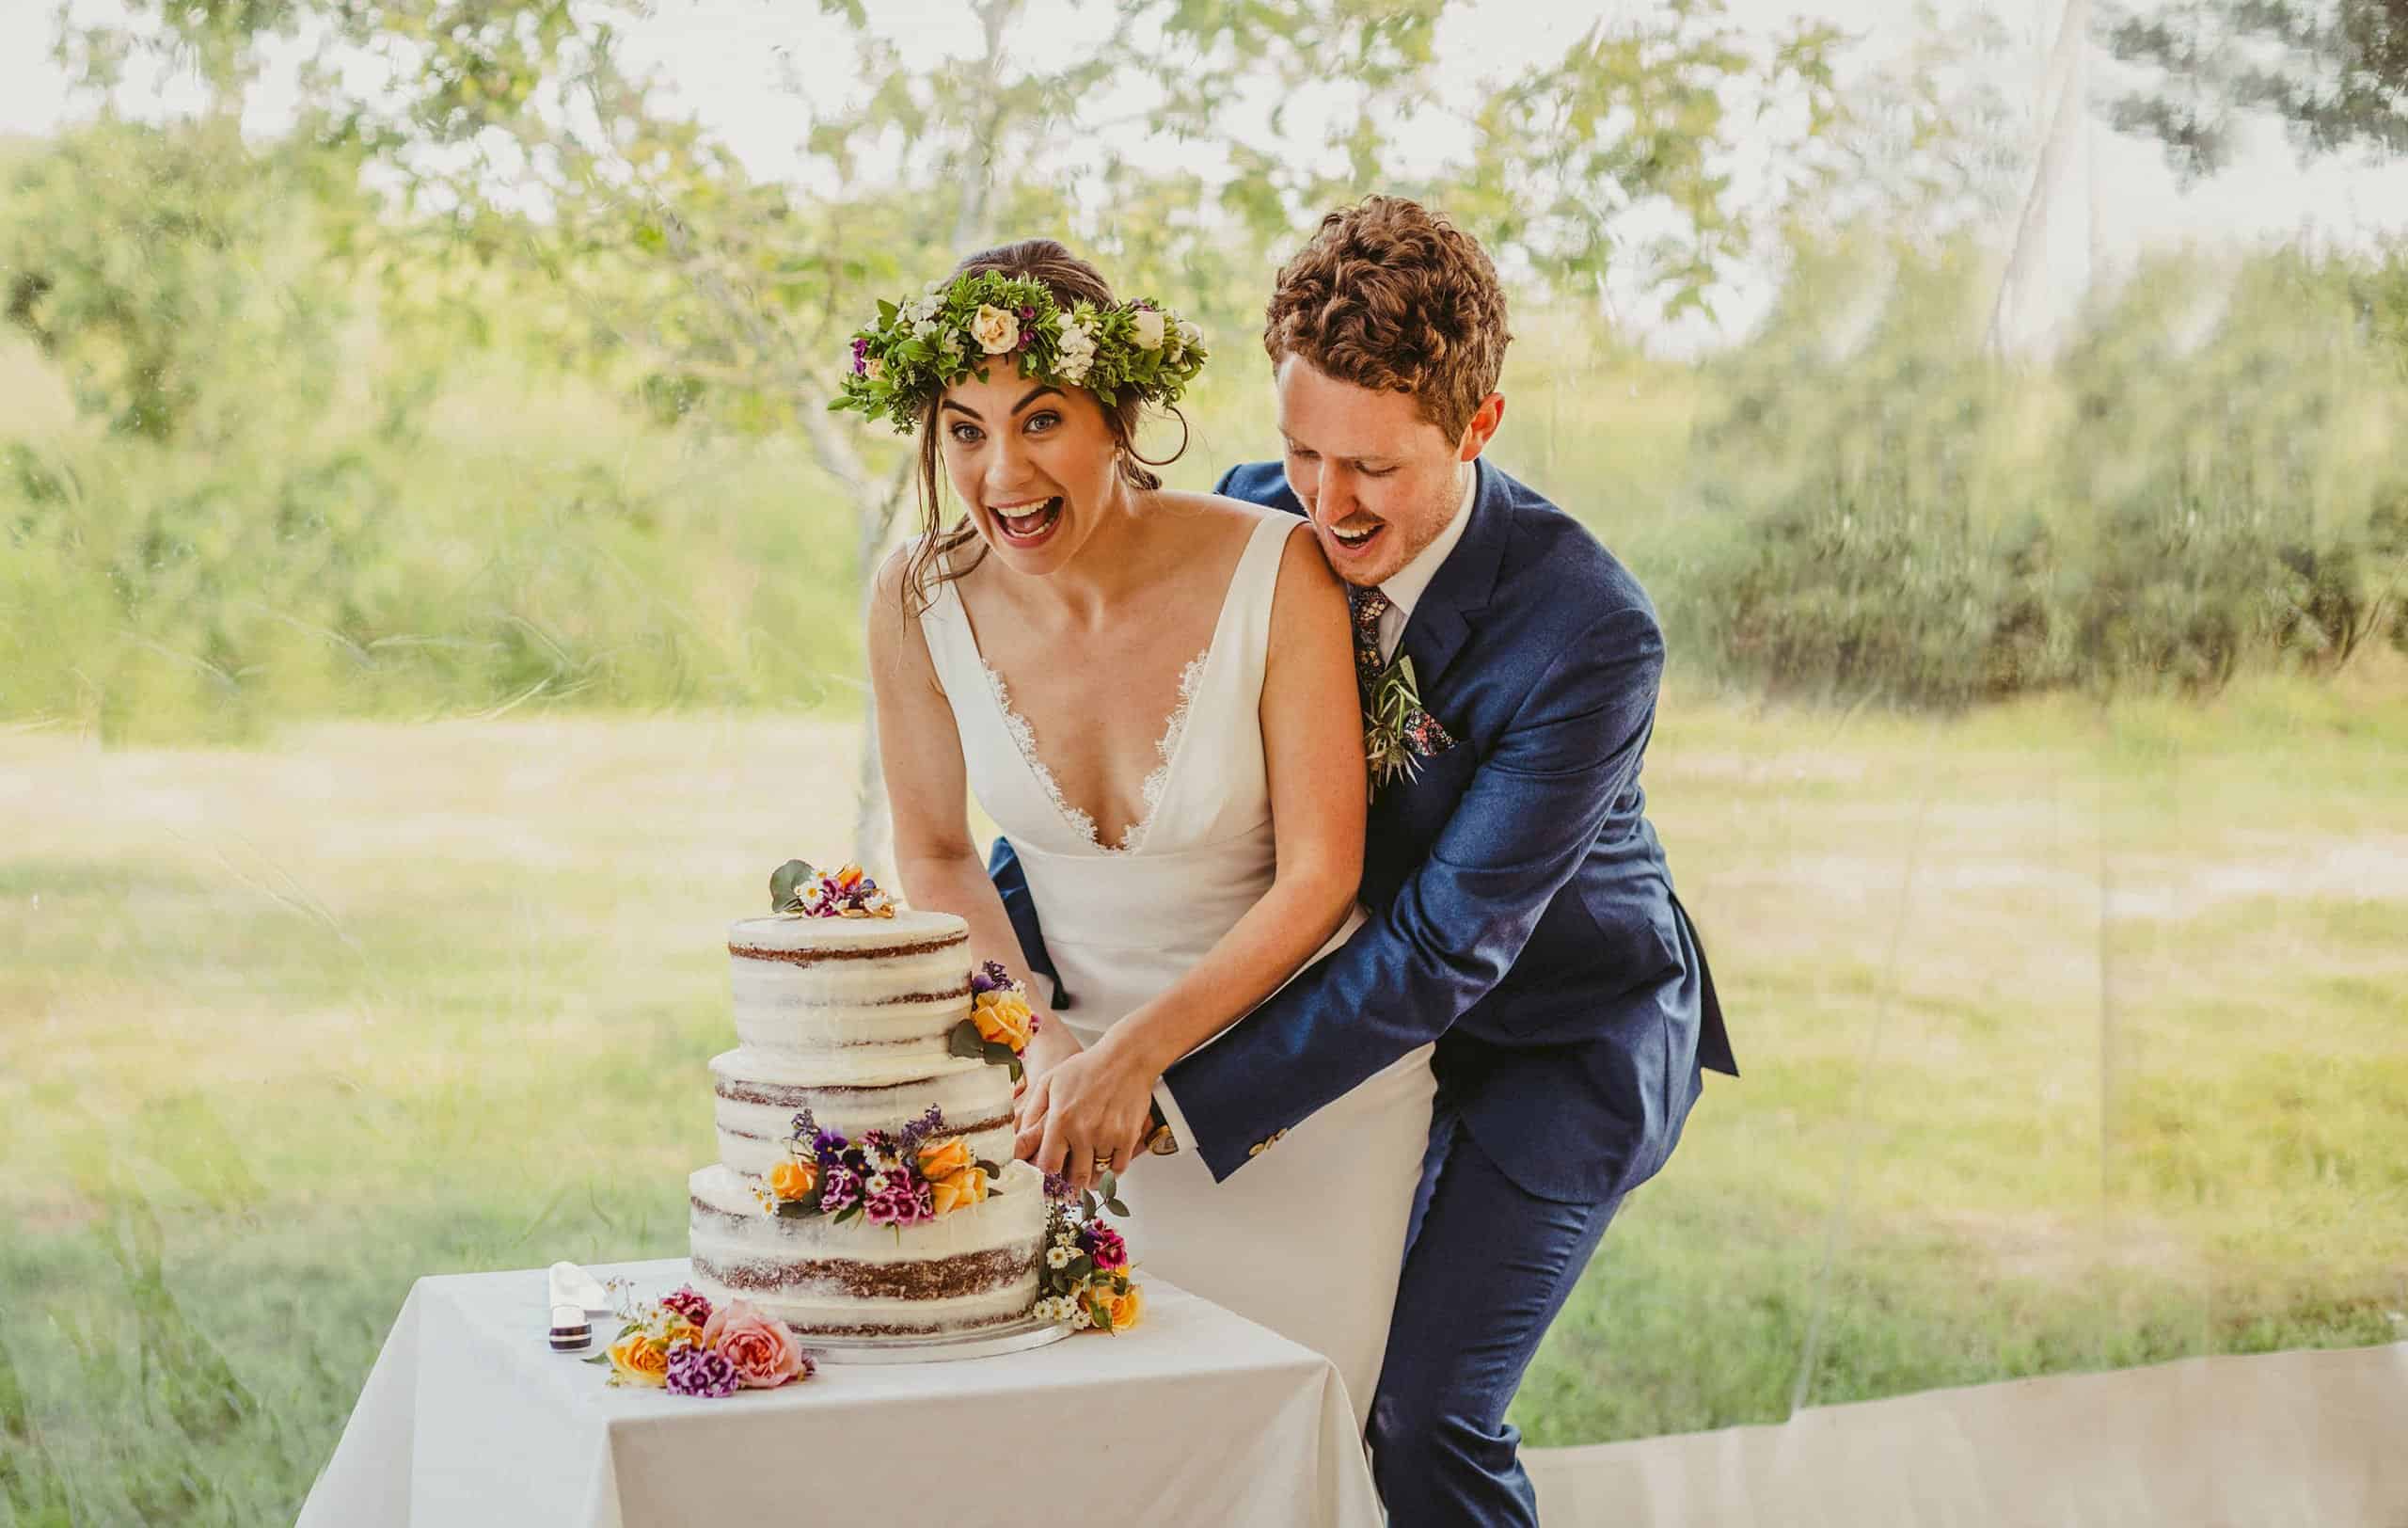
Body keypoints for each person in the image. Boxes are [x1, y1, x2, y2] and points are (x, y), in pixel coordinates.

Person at [1002, 196, 1737, 1526]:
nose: (1324, 507)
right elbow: (1119, 759)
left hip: (1558, 1040)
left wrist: (1165, 1092)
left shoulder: (1590, 632)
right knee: (1263, 1377)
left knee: (1424, 1416)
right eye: (1299, 451)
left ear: (1479, 427)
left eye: (1374, 470)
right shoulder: (1244, 524)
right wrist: (1011, 965)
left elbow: (1447, 946)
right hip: (1350, 1028)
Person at [848, 238, 1437, 1427]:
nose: (1000, 471)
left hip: (1304, 1108)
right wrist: (1052, 1048)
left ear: (1118, 413)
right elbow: (939, 855)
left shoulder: (1276, 568)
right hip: (1064, 1108)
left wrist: (1140, 1057)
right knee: (1094, 1455)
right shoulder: (914, 596)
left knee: (1281, 1449)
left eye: (1040, 420)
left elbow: (1324, 873)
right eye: (962, 430)